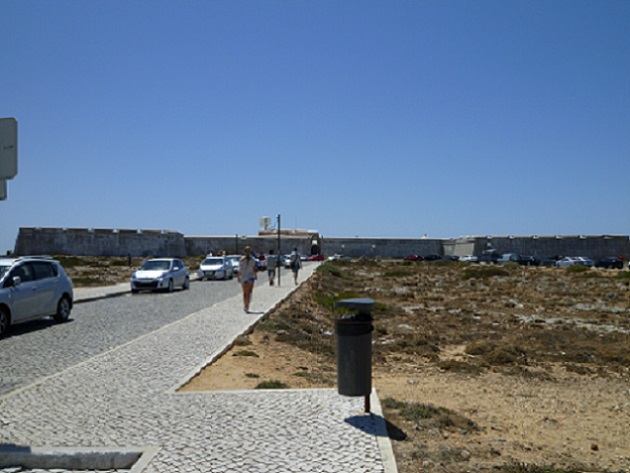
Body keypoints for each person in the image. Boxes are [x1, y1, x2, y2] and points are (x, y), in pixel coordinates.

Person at [238, 246, 257, 312]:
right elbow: (254, 269)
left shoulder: (241, 260)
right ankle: (247, 305)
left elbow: (240, 270)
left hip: (244, 277)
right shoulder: (253, 260)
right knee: (249, 292)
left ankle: (245, 306)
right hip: (250, 277)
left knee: (245, 293)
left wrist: (238, 277)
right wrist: (255, 275)